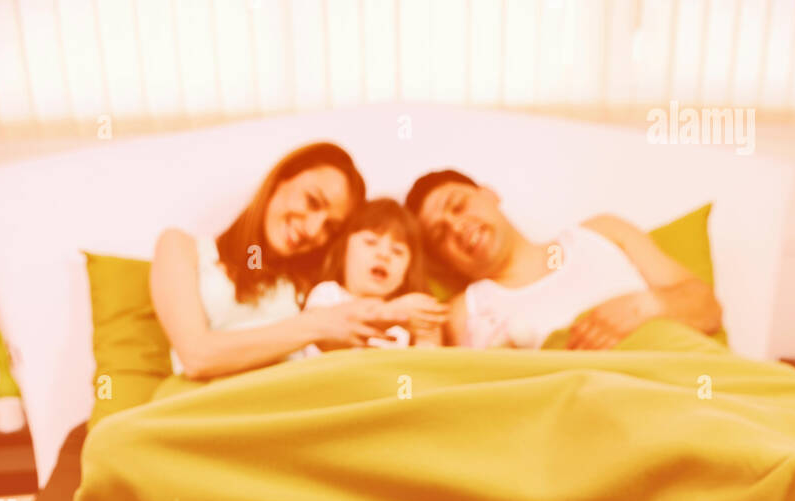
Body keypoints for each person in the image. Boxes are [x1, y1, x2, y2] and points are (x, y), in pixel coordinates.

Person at [405, 169, 723, 350]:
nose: (457, 227)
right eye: (440, 235)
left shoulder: (603, 232)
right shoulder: (465, 311)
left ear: (489, 194)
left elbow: (707, 308)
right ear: (445, 262)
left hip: (676, 383)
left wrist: (644, 308)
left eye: (458, 206)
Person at [151, 142, 393, 379]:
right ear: (281, 178)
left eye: (330, 227)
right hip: (201, 410)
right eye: (312, 201)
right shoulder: (181, 247)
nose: (312, 229)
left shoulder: (312, 287)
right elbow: (197, 356)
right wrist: (316, 325)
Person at [300, 198, 448, 354]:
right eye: (371, 242)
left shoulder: (404, 324)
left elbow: (420, 368)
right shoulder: (328, 293)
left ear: (406, 273)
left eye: (397, 251)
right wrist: (393, 313)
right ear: (343, 251)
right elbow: (322, 336)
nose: (384, 254)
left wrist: (428, 335)